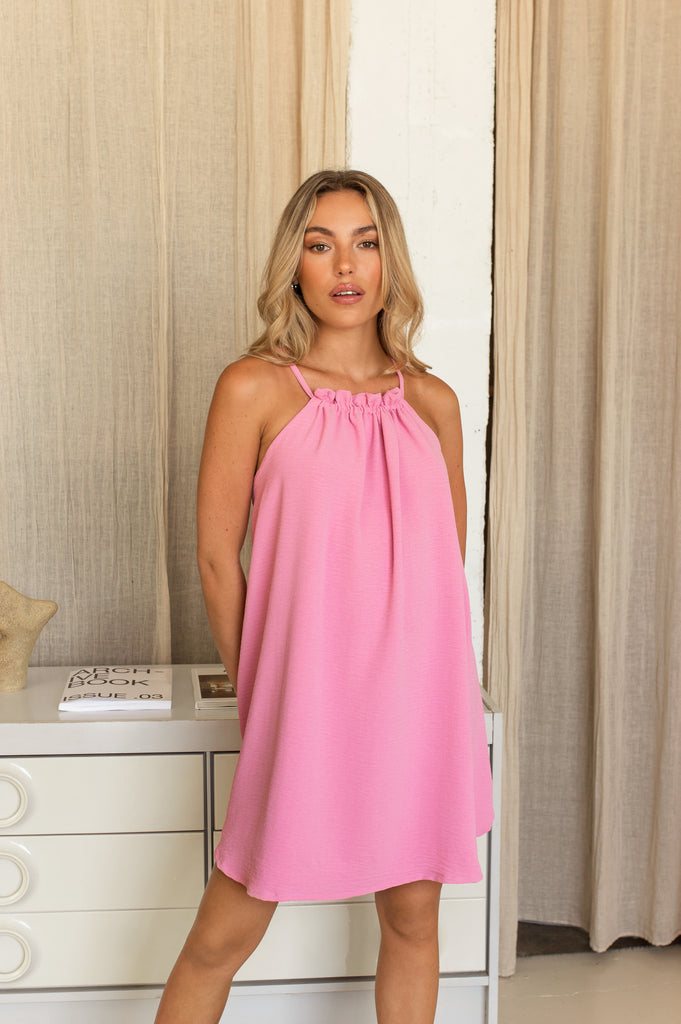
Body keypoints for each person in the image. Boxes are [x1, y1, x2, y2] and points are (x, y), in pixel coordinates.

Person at [154, 169, 493, 1024]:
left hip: (414, 706)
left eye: (365, 243)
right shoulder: (253, 388)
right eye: (320, 244)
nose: (345, 265)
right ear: (294, 266)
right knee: (222, 936)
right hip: (305, 702)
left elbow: (440, 567)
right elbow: (215, 560)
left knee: (413, 921)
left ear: (388, 261)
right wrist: (262, 694)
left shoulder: (434, 403)